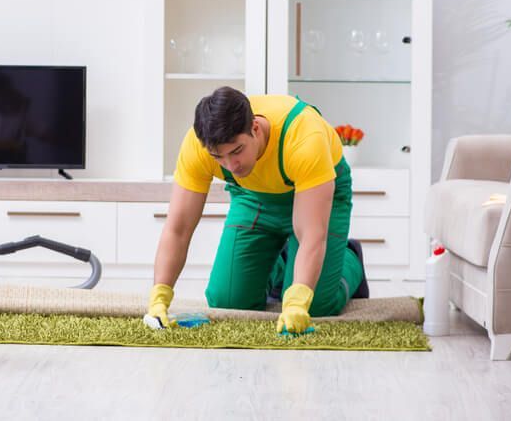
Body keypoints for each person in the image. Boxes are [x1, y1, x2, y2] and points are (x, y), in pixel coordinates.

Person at [144, 86, 368, 334]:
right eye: (219, 157)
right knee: (229, 302)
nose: (231, 165)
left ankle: (349, 258)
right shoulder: (199, 145)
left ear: (255, 129)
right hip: (254, 196)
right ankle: (283, 261)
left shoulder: (304, 136)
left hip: (319, 193)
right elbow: (179, 228)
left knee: (314, 305)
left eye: (237, 151)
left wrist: (296, 303)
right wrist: (159, 297)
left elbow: (312, 233)